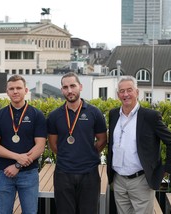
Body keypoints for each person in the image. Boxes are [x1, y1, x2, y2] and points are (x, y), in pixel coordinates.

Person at [107, 75, 171, 214]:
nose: (125, 94)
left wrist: (167, 168)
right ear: (118, 94)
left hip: (141, 181)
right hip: (119, 180)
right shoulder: (114, 114)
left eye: (129, 90)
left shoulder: (150, 117)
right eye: (122, 91)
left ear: (137, 92)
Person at [47, 72, 107, 214]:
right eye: (65, 87)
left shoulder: (94, 112)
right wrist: (68, 155)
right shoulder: (55, 116)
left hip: (89, 173)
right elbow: (53, 145)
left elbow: (102, 139)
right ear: (61, 90)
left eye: (73, 86)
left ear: (80, 87)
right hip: (63, 173)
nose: (69, 90)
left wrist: (89, 152)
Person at [0, 74, 46, 214]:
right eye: (12, 88)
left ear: (26, 90)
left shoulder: (37, 115)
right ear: (7, 92)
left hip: (29, 174)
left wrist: (17, 165)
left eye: (19, 88)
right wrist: (17, 157)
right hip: (4, 173)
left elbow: (40, 146)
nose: (15, 91)